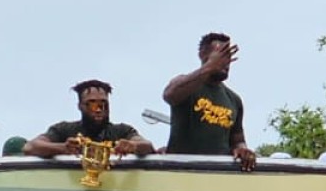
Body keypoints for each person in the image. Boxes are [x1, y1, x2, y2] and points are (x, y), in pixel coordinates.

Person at [162, 32, 255, 169]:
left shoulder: (234, 100)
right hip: (182, 171)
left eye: (228, 56)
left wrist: (242, 149)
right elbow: (169, 95)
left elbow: (238, 140)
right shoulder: (186, 84)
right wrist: (209, 67)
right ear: (203, 55)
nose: (226, 61)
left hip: (217, 174)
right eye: (221, 55)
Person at [21, 80, 155, 159]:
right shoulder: (64, 129)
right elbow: (30, 147)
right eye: (92, 104)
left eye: (103, 104)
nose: (98, 109)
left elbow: (147, 146)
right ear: (80, 106)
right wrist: (63, 148)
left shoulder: (122, 131)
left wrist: (133, 146)